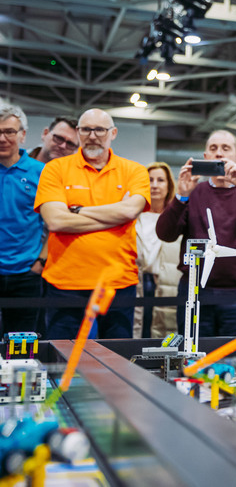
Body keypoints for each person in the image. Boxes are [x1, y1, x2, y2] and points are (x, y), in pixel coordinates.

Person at [35, 108, 150, 339]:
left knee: (116, 359)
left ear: (113, 133)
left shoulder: (134, 171)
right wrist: (116, 218)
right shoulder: (55, 169)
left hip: (118, 282)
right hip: (65, 282)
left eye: (100, 129)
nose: (93, 135)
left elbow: (130, 210)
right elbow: (56, 221)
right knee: (62, 357)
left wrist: (76, 211)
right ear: (78, 132)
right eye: (86, 129)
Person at [156, 130, 236, 337]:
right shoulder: (194, 192)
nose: (219, 154)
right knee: (194, 359)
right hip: (195, 291)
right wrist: (181, 196)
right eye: (213, 149)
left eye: (226, 149)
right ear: (205, 157)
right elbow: (165, 233)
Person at [0, 105, 46, 335]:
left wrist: (40, 263)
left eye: (9, 131)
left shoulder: (41, 173)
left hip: (26, 276)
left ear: (22, 135)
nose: (2, 138)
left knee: (22, 347)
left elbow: (54, 224)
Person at [134, 163, 182, 339]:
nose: (154, 185)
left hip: (165, 285)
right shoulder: (132, 215)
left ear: (169, 185)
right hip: (137, 282)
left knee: (161, 333)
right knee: (136, 331)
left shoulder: (176, 217)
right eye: (149, 180)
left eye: (160, 180)